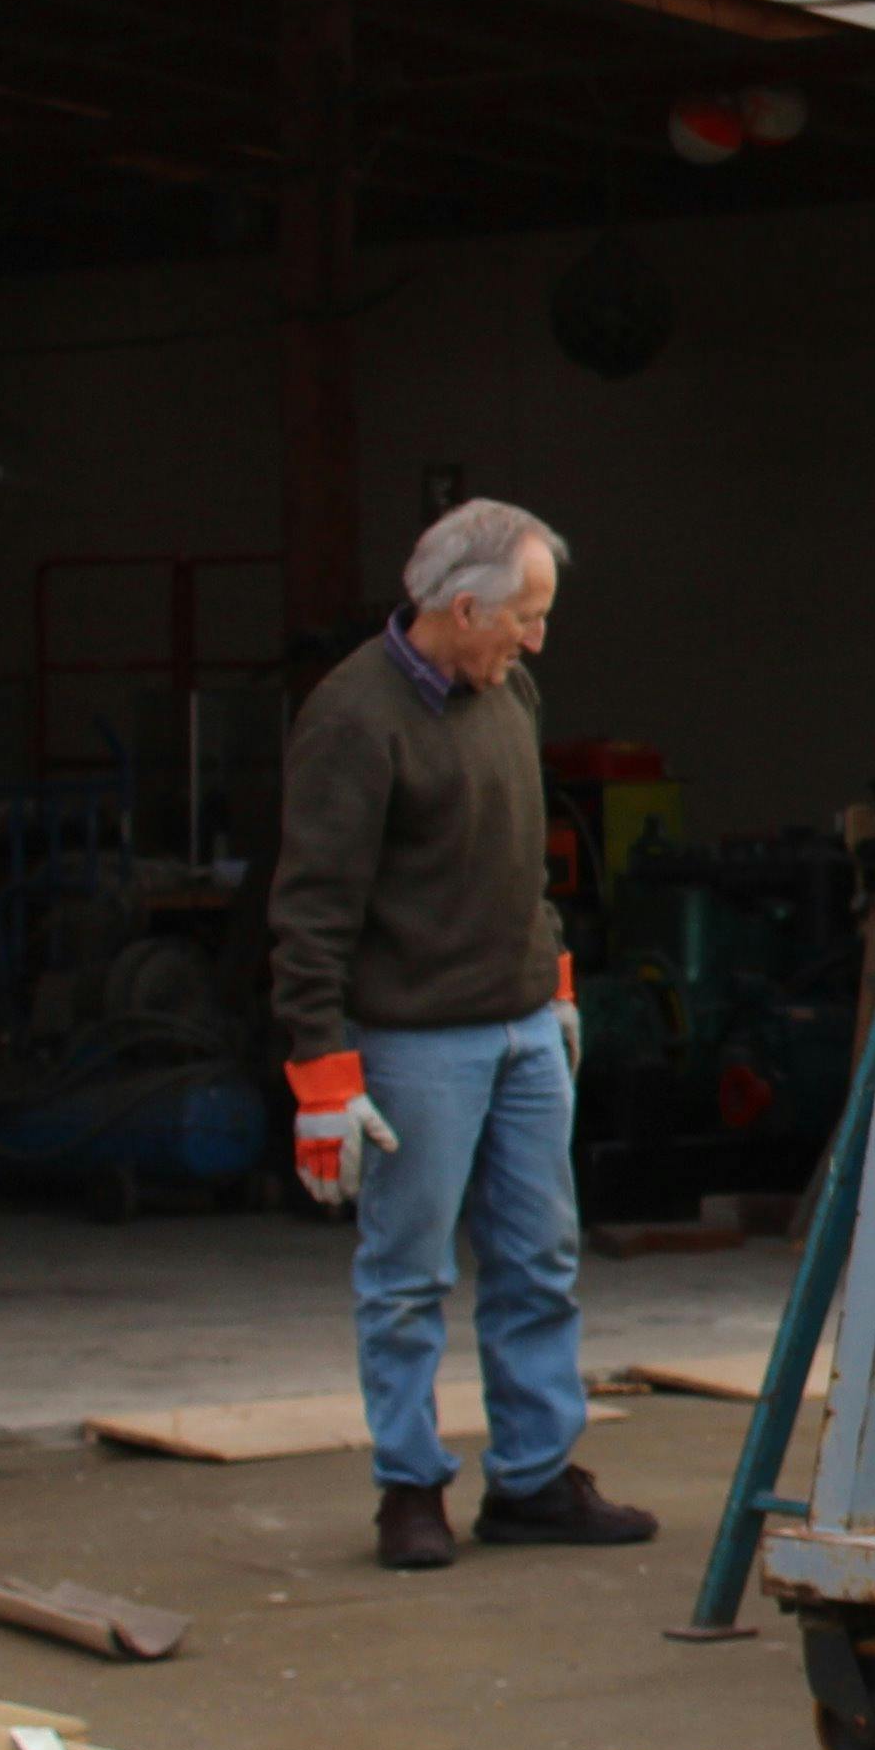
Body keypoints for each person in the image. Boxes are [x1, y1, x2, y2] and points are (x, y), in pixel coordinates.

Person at [272, 500, 654, 1573]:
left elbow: (521, 860)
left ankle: (532, 1481)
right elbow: (309, 911)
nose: (537, 639)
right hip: (416, 1045)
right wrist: (320, 1076)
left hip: (525, 1028)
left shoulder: (508, 692)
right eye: (524, 617)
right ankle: (409, 1489)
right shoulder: (354, 720)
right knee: (406, 1276)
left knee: (540, 1260)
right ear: (463, 605)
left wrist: (555, 980)